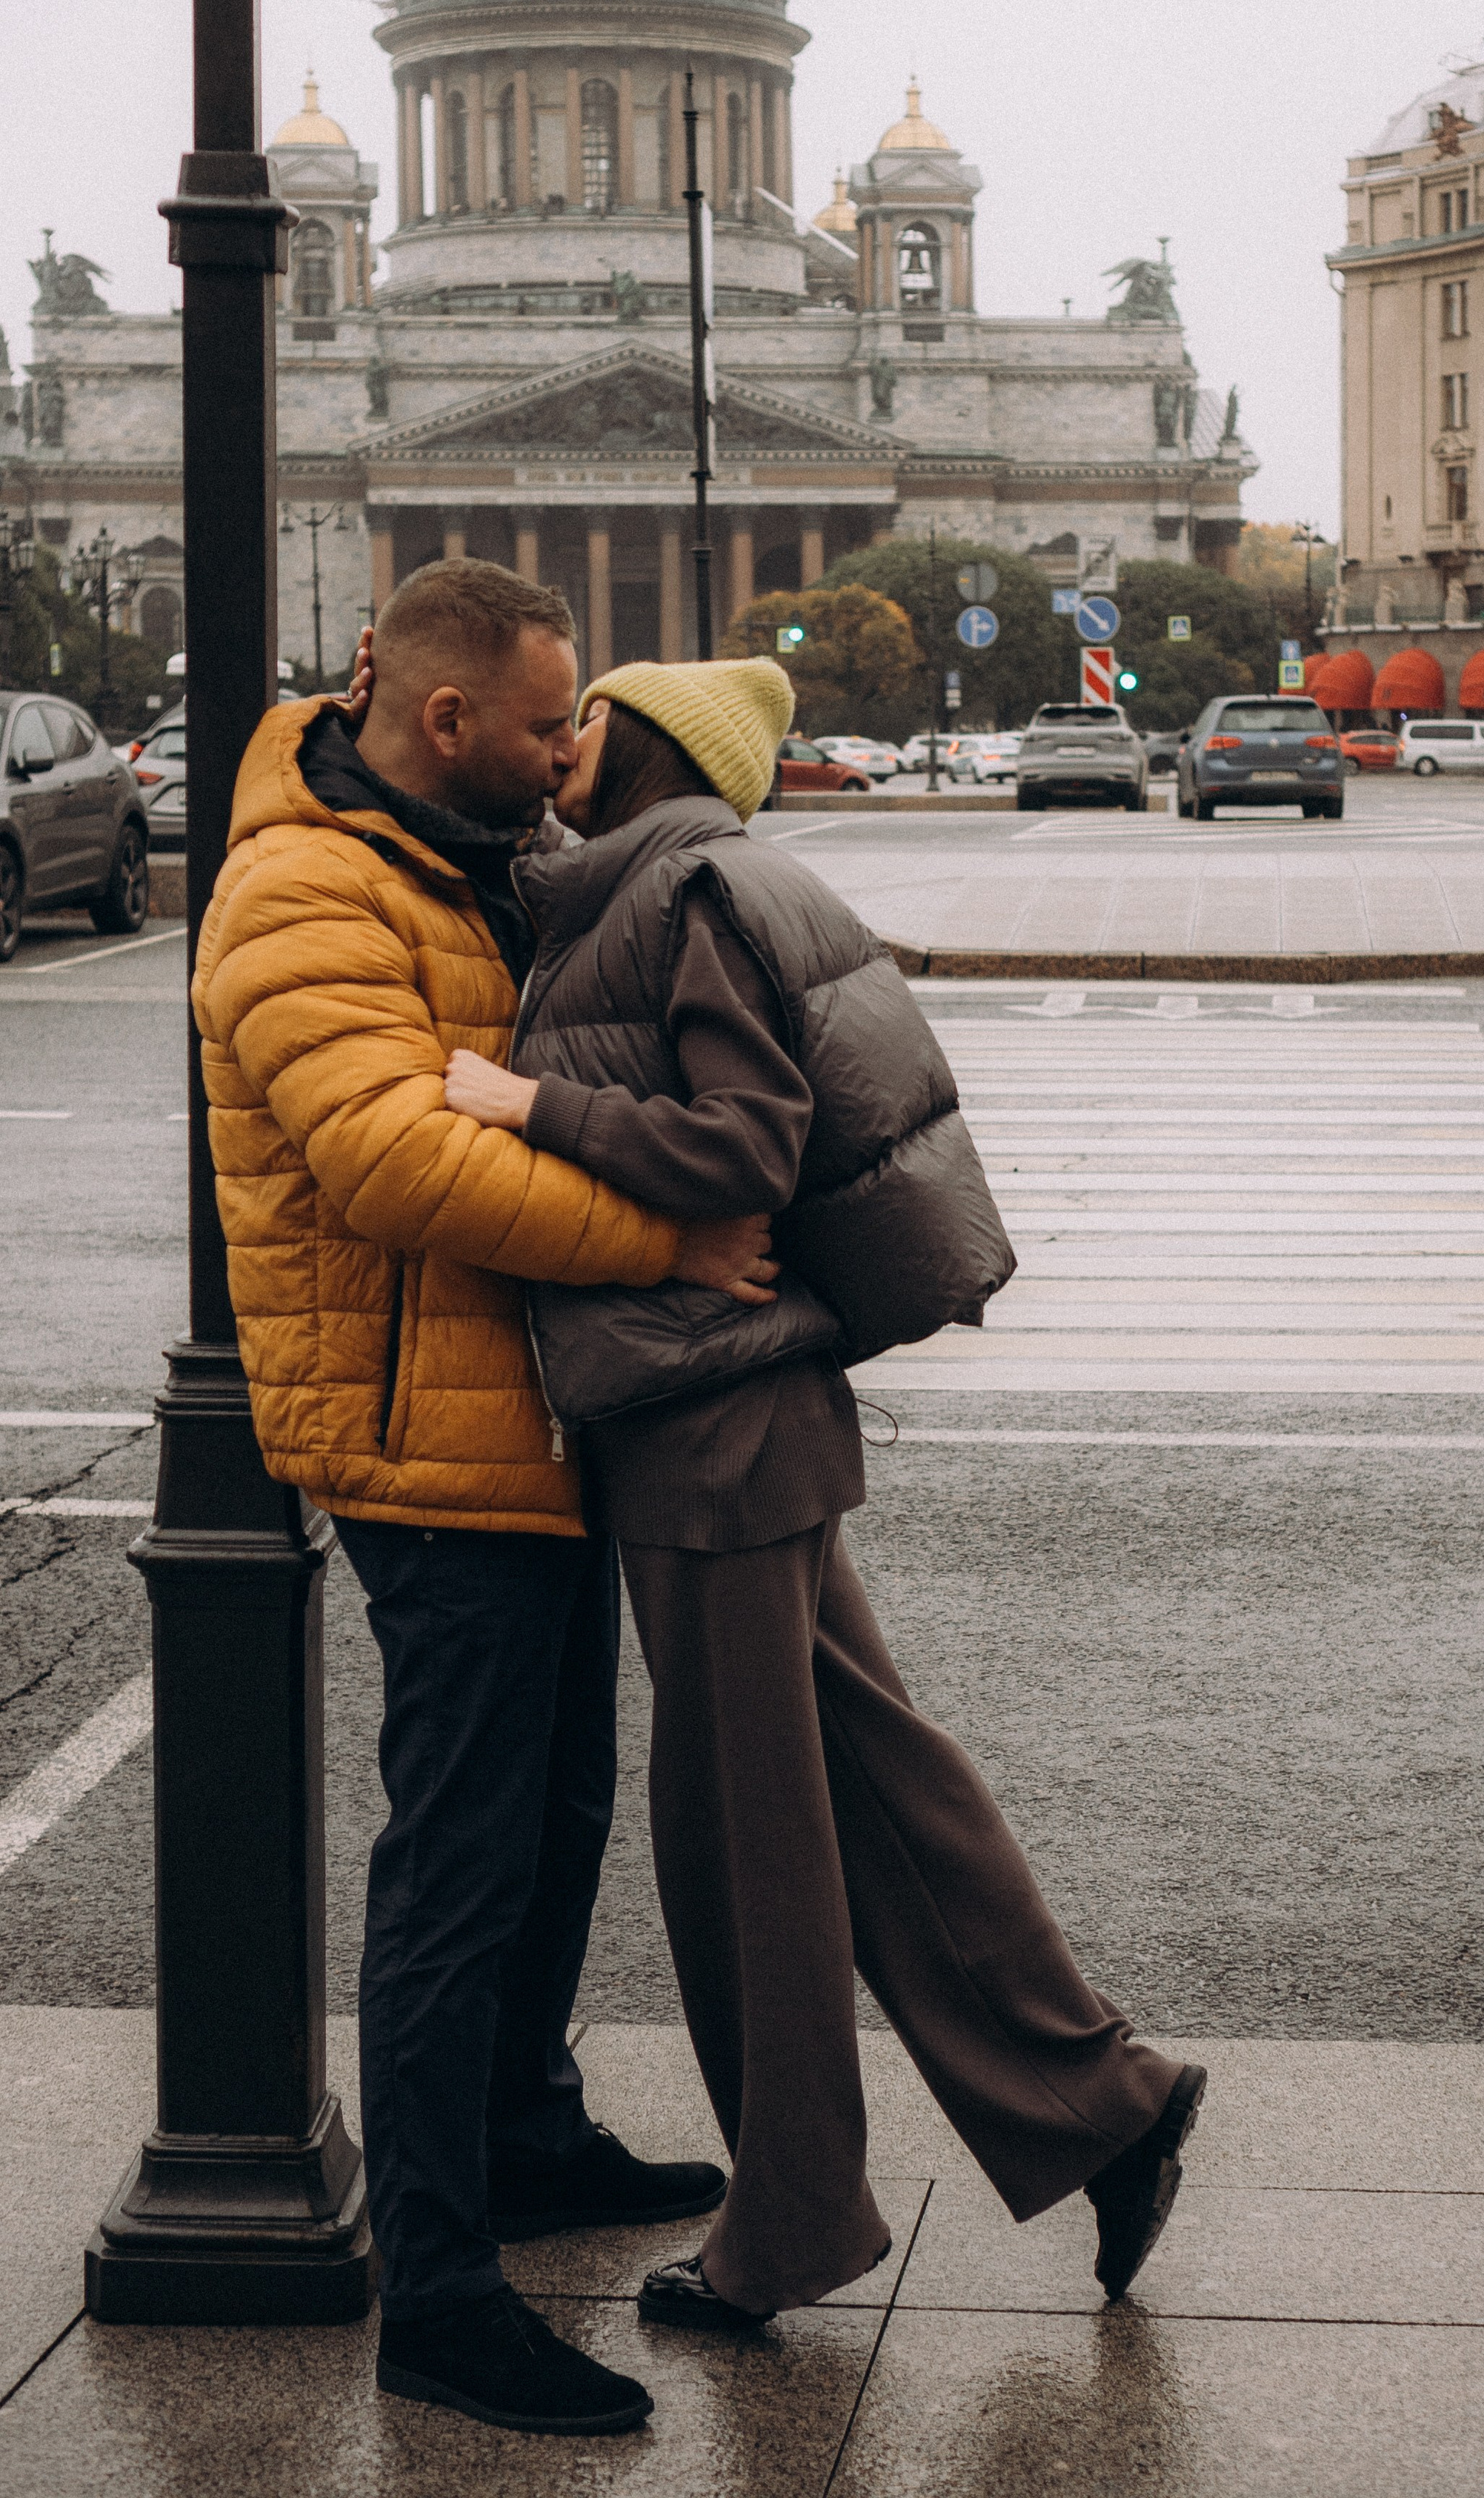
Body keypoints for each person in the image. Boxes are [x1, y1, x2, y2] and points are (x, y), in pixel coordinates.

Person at [441, 655, 1205, 2332]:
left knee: (743, 1849)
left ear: (646, 748)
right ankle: (1103, 2103)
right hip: (738, 1419)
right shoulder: (678, 876)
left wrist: (526, 1101)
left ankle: (787, 2224)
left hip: (707, 1421)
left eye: (588, 721)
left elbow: (743, 1148)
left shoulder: (689, 889)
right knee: (874, 1795)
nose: (563, 743)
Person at [193, 562, 778, 2439]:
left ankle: (522, 2138)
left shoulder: (453, 850)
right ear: (445, 722)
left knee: (550, 1818)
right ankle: (440, 2293)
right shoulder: (302, 888)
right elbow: (388, 1162)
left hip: (521, 1412)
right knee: (457, 1866)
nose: (567, 761)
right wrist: (670, 1234)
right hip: (423, 1437)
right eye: (544, 730)